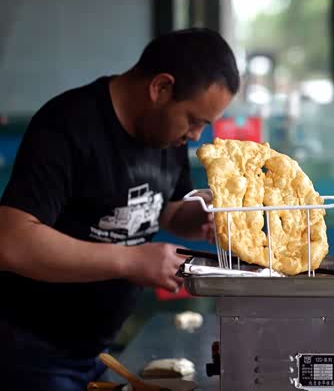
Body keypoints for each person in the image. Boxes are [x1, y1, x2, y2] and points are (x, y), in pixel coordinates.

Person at [0, 28, 239, 391]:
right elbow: (11, 241)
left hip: (100, 350)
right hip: (31, 351)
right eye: (193, 121)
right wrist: (131, 261)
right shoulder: (67, 125)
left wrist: (205, 215)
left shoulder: (166, 134)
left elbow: (167, 211)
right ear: (161, 88)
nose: (195, 136)